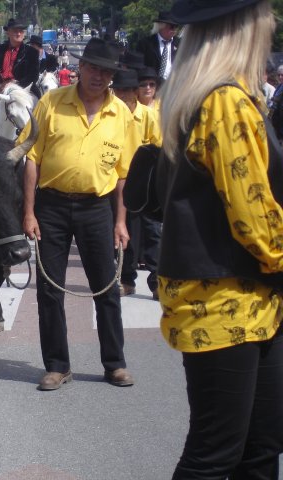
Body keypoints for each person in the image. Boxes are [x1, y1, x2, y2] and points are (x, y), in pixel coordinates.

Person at [157, 0, 283, 477]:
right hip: (225, 298)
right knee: (217, 454)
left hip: (247, 295)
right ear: (244, 30)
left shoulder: (202, 94)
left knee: (260, 444)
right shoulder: (225, 100)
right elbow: (253, 216)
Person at [19, 38, 137, 391]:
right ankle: (57, 365)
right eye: (93, 68)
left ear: (112, 75)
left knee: (106, 287)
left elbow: (123, 175)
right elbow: (31, 158)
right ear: (80, 67)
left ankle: (114, 363)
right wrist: (28, 212)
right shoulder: (52, 103)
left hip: (97, 208)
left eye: (106, 71)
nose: (98, 76)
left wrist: (120, 221)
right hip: (51, 206)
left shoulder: (122, 115)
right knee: (49, 291)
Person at [110, 69, 162, 300]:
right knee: (122, 233)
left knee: (152, 233)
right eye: (119, 90)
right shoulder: (109, 114)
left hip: (144, 185)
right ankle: (126, 279)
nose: (123, 95)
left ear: (135, 93)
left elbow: (159, 148)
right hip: (115, 184)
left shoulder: (148, 116)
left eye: (128, 90)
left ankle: (158, 281)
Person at [0, 17, 40, 122]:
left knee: (39, 117)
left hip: (23, 90)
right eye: (15, 31)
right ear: (8, 33)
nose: (19, 34)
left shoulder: (31, 52)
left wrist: (16, 84)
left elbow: (34, 75)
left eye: (21, 31)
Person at [136, 11, 180, 83]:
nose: (174, 30)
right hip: (152, 83)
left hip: (174, 83)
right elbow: (140, 66)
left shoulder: (179, 44)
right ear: (161, 26)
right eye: (172, 27)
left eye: (176, 27)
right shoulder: (145, 43)